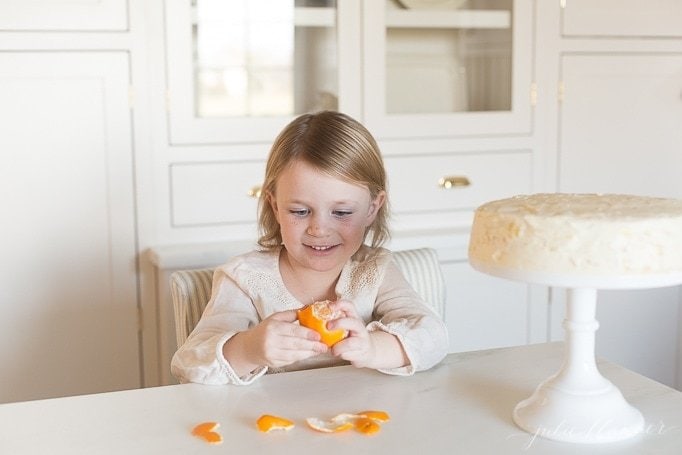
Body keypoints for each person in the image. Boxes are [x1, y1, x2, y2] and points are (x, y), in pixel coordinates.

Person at [171, 111, 449, 385]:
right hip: (272, 422)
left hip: (362, 421)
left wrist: (373, 348)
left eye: (341, 212)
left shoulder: (373, 271)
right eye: (300, 211)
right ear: (275, 206)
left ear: (372, 209)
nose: (319, 229)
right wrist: (250, 349)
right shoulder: (246, 278)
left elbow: (433, 336)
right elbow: (190, 364)